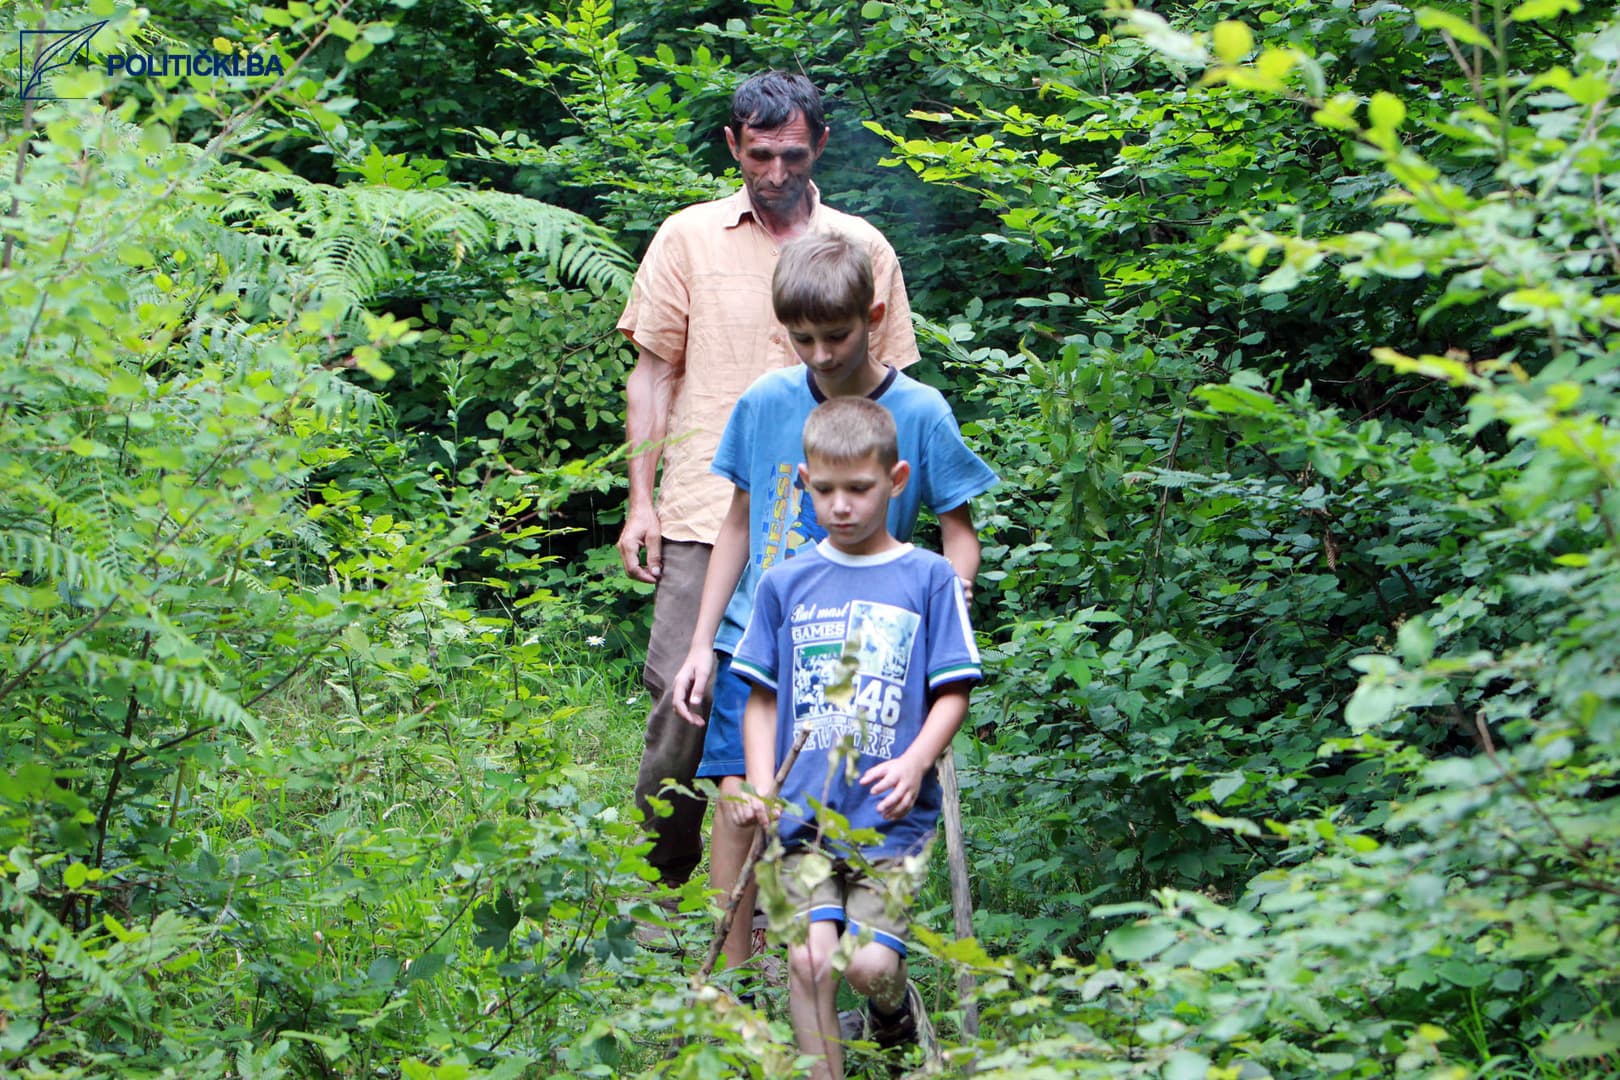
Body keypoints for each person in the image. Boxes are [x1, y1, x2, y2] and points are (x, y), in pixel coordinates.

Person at [615, 71, 920, 890]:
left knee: (819, 709)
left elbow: (894, 390)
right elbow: (652, 375)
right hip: (708, 512)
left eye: (792, 155)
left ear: (819, 144)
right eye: (759, 156)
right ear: (732, 147)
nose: (776, 174)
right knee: (684, 709)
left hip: (833, 518)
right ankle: (656, 887)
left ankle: (800, 887)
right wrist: (640, 501)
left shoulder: (863, 248)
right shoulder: (687, 238)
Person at [669, 233, 995, 978]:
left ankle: (839, 958)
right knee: (737, 793)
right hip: (759, 632)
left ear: (874, 315)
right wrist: (699, 643)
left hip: (863, 645)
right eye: (801, 337)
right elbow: (737, 526)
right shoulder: (764, 402)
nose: (819, 353)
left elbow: (958, 532)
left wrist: (957, 597)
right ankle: (730, 972)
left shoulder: (920, 409)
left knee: (839, 805)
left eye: (836, 335)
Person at [730, 397, 983, 1079]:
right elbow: (761, 697)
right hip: (802, 818)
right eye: (826, 489)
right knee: (809, 960)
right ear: (804, 484)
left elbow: (952, 691)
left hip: (887, 822)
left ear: (896, 480)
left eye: (859, 489)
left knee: (869, 965)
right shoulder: (784, 582)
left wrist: (915, 760)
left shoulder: (928, 578)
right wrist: (762, 784)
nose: (841, 505)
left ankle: (891, 1013)